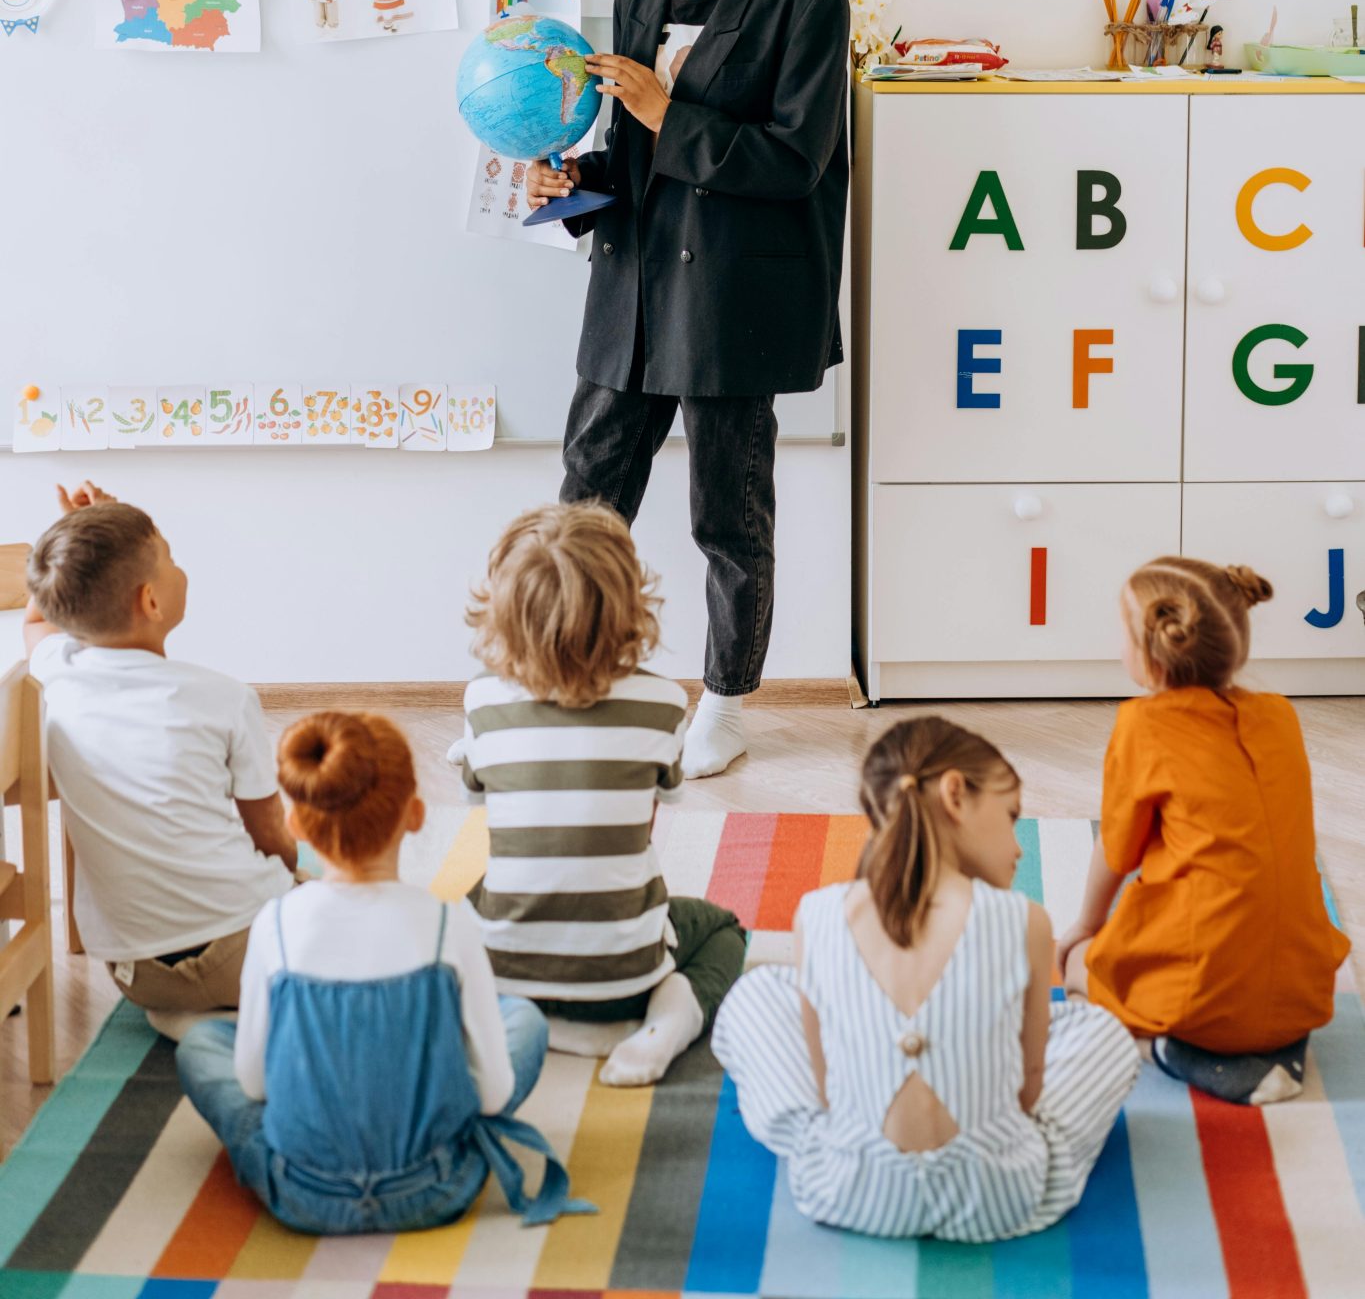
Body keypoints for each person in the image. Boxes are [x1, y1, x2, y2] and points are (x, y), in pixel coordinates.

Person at [528, 0, 850, 779]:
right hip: (629, 290)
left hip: (730, 300)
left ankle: (726, 699)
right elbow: (631, 158)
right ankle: (563, 675)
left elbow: (796, 162)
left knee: (729, 512)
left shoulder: (806, 2)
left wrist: (672, 115)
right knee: (584, 501)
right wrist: (571, 173)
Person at [711, 716, 1138, 1242]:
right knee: (1100, 1033)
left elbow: (826, 1092)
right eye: (1011, 816)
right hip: (998, 1196)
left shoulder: (815, 913)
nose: (1019, 846)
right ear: (955, 793)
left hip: (848, 1188)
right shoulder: (1023, 919)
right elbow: (1027, 1097)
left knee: (757, 993)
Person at [177, 711, 588, 1233]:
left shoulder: (275, 923)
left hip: (302, 1192)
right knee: (522, 1018)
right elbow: (492, 1095)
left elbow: (254, 1085)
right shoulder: (447, 924)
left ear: (298, 824)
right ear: (414, 814)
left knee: (200, 1045)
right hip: (439, 1187)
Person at [460, 501, 746, 1084]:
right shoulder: (663, 704)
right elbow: (655, 811)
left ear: (505, 610)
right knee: (721, 929)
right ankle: (666, 1025)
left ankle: (525, 1019)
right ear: (627, 605)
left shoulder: (483, 703)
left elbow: (479, 801)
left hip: (503, 973)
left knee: (462, 904)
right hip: (623, 980)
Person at [1056, 557, 1350, 1105]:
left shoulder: (1142, 726)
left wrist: (1083, 929)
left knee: (1077, 961)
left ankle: (1174, 1049)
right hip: (1304, 991)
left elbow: (1116, 852)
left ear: (1150, 650)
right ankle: (1269, 1048)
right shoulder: (1280, 716)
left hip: (1203, 991)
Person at [23, 481, 294, 1015]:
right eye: (170, 559)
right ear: (150, 600)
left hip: (139, 975)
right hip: (252, 952)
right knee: (356, 904)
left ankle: (190, 1023)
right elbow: (274, 844)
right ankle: (248, 1022)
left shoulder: (56, 672)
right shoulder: (226, 698)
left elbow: (36, 620)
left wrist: (70, 545)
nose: (180, 569)